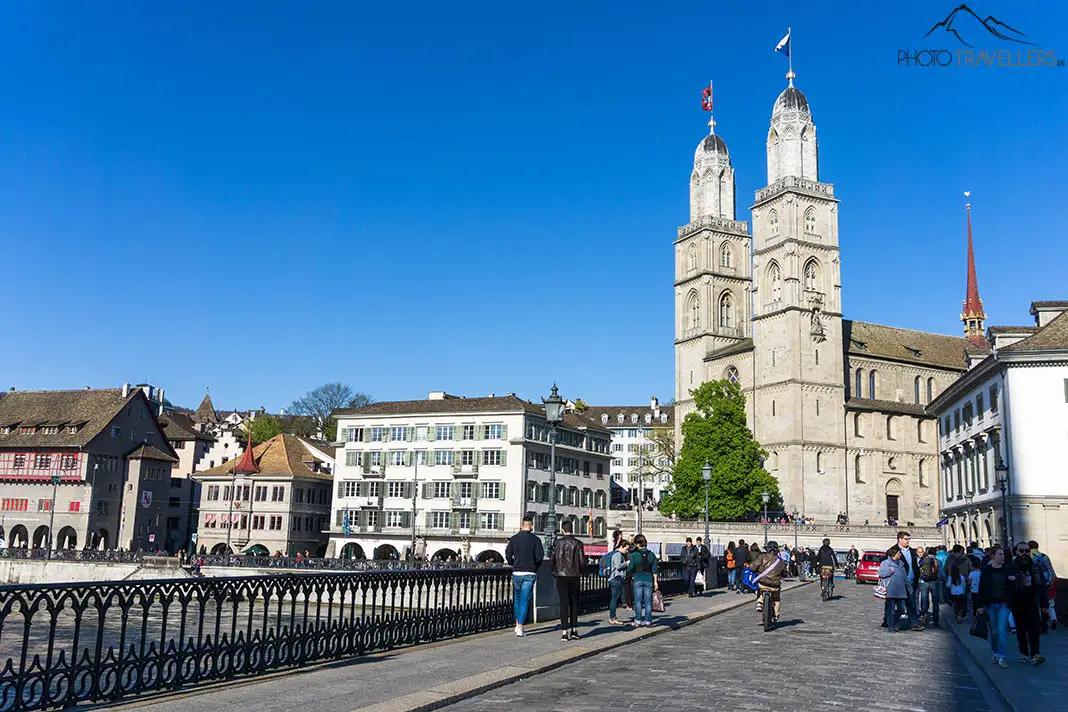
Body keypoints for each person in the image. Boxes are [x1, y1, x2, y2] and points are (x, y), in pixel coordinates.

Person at [977, 544, 1016, 668]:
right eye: (999, 554)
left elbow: (1012, 588)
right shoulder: (986, 571)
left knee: (1001, 630)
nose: (1002, 557)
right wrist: (980, 605)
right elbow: (981, 588)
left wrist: (1012, 580)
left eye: (1003, 554)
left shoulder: (1007, 570)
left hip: (1004, 604)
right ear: (992, 556)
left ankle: (1002, 657)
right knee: (994, 631)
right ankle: (994, 651)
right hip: (990, 604)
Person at [505, 516, 544, 637]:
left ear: (521, 526)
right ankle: (520, 626)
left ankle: (517, 623)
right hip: (530, 572)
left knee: (517, 598)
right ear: (531, 526)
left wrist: (513, 563)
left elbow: (508, 554)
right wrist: (534, 567)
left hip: (517, 572)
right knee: (525, 599)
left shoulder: (514, 539)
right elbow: (539, 557)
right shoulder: (536, 540)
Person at [1011, 542, 1045, 665]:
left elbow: (1041, 587)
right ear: (1016, 552)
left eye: (1027, 551)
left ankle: (1035, 653)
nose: (1024, 553)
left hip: (1032, 601)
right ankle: (1024, 652)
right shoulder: (1011, 567)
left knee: (1034, 629)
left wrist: (1044, 604)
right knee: (1021, 629)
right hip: (1017, 603)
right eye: (1022, 551)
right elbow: (1007, 586)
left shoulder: (1035, 566)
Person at [550, 520, 585, 641]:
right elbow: (581, 562)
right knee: (574, 603)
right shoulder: (578, 543)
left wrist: (554, 571)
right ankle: (574, 629)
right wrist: (581, 572)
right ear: (572, 529)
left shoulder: (557, 543)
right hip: (574, 575)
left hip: (560, 575)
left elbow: (553, 559)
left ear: (562, 530)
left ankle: (564, 631)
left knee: (564, 602)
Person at [750, 541, 786, 621]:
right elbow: (785, 574)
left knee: (759, 587)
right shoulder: (781, 561)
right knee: (776, 598)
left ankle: (759, 602)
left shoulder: (762, 557)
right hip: (775, 586)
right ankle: (776, 614)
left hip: (763, 583)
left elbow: (753, 568)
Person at [627, 534, 659, 627]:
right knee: (648, 601)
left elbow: (630, 568)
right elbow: (654, 570)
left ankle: (638, 620)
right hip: (649, 579)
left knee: (638, 601)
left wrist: (630, 573)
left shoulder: (634, 555)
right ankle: (648, 621)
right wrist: (656, 582)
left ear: (637, 544)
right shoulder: (652, 554)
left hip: (638, 579)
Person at [895, 531, 924, 631]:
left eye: (909, 539)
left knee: (912, 604)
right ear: (900, 539)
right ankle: (895, 623)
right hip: (899, 582)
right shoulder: (893, 550)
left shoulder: (912, 551)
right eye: (906, 539)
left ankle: (914, 623)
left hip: (911, 582)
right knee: (900, 604)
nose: (908, 541)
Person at [878, 545, 909, 632]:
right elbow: (881, 574)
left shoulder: (901, 564)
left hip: (901, 590)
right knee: (890, 610)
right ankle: (891, 625)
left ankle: (896, 622)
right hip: (890, 590)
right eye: (899, 553)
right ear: (894, 554)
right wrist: (889, 571)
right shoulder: (885, 563)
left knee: (901, 609)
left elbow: (905, 577)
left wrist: (908, 586)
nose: (900, 554)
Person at [1028, 540, 1057, 631]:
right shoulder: (1044, 556)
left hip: (1036, 584)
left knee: (1036, 604)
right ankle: (1053, 618)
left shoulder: (1029, 557)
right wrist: (1052, 581)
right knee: (1049, 603)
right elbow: (1051, 569)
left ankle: (1040, 624)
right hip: (1048, 583)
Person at [607, 538, 630, 624]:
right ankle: (612, 618)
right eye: (626, 549)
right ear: (622, 546)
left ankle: (613, 617)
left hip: (616, 578)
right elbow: (618, 566)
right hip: (616, 578)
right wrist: (626, 563)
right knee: (614, 599)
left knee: (615, 598)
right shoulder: (618, 555)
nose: (627, 551)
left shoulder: (618, 554)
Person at [916, 546, 941, 626]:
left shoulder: (923, 560)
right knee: (935, 600)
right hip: (934, 581)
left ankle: (924, 615)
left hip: (924, 581)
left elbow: (919, 568)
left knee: (924, 598)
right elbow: (941, 572)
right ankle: (936, 619)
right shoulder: (937, 561)